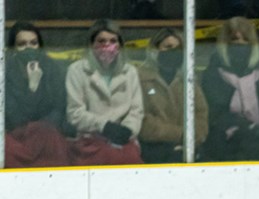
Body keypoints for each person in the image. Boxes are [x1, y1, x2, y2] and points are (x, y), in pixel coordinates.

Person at [201, 17, 259, 161]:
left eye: (246, 40)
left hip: (256, 145)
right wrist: (244, 127)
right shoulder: (212, 74)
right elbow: (213, 114)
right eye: (234, 40)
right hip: (221, 149)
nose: (240, 45)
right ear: (225, 43)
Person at [65, 19, 144, 166]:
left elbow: (136, 111)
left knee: (129, 161)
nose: (107, 46)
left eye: (113, 41)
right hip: (90, 138)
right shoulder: (76, 70)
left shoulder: (130, 72)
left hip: (124, 138)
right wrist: (104, 126)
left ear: (120, 45)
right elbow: (74, 113)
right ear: (91, 44)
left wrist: (125, 131)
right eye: (101, 41)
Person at [137, 28, 210, 164]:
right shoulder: (140, 79)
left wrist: (191, 138)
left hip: (189, 146)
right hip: (152, 148)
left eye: (178, 48)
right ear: (154, 50)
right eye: (168, 47)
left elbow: (201, 115)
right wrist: (180, 134)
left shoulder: (189, 81)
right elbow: (142, 121)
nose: (173, 52)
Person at [4, 22, 70, 168]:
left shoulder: (52, 68)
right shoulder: (5, 73)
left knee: (57, 148)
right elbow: (13, 117)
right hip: (17, 135)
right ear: (13, 49)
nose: (29, 48)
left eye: (33, 43)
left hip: (47, 132)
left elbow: (59, 108)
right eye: (22, 44)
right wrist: (32, 88)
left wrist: (43, 127)